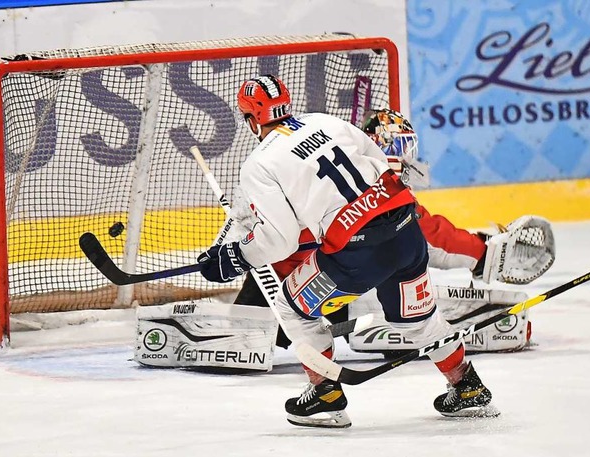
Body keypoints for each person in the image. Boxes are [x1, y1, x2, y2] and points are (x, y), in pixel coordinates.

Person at [198, 74, 498, 428]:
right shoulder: (324, 120)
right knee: (420, 320)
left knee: (290, 307)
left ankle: (324, 393)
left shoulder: (259, 165)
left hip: (356, 256)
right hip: (406, 232)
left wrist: (235, 257)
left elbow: (280, 240)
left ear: (250, 119)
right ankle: (466, 386)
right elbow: (381, 163)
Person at [233, 108, 556, 353]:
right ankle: (327, 388)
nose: (403, 156)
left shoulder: (298, 172)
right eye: (396, 146)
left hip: (281, 284)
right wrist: (483, 253)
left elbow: (261, 234)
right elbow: (428, 236)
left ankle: (320, 387)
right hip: (322, 290)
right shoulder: (371, 186)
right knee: (407, 296)